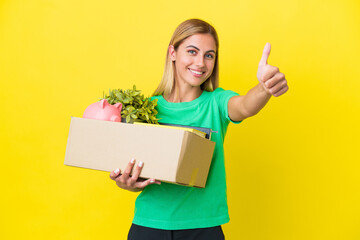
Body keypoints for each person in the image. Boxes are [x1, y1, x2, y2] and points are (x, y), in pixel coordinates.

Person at [109, 18, 288, 240]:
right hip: (149, 226)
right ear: (172, 53)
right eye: (192, 52)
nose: (201, 63)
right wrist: (128, 182)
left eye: (209, 55)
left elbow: (245, 106)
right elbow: (138, 174)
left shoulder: (217, 103)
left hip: (203, 229)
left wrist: (264, 88)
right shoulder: (146, 110)